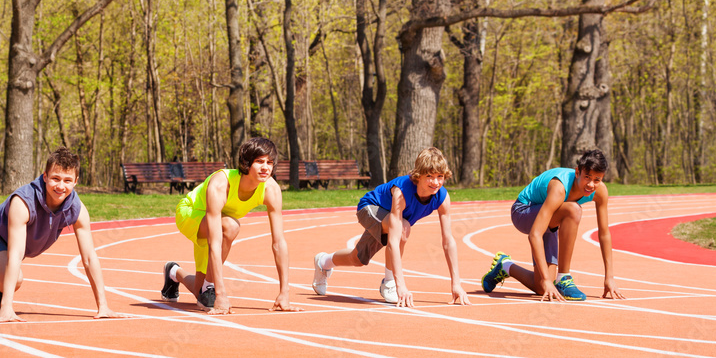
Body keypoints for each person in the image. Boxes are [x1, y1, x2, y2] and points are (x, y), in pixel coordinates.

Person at [0, 147, 126, 322]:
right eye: (55, 178)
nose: (60, 186)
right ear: (45, 176)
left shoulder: (77, 210)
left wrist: (103, 306)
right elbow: (15, 255)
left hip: (14, 244)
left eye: (67, 180)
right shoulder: (23, 202)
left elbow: (90, 258)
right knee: (15, 278)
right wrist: (7, 308)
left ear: (76, 181)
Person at [311, 147, 470, 307]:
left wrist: (456, 283)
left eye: (439, 176)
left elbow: (448, 240)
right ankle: (389, 284)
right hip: (369, 208)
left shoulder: (442, 197)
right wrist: (400, 285)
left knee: (357, 259)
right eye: (429, 176)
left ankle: (323, 262)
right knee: (403, 228)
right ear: (418, 175)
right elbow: (393, 241)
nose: (435, 182)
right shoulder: (401, 192)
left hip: (393, 220)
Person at [160, 137, 300, 315]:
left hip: (219, 221)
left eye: (270, 162)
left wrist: (284, 293)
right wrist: (220, 294)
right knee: (231, 226)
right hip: (191, 213)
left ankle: (173, 272)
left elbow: (279, 243)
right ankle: (210, 287)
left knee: (199, 292)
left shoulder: (271, 189)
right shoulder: (221, 184)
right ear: (246, 163)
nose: (266, 167)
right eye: (259, 162)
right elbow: (215, 242)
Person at [481, 148, 625, 302]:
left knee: (541, 288)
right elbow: (535, 234)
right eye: (587, 177)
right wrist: (548, 280)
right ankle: (564, 277)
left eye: (597, 179)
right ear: (577, 172)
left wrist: (609, 277)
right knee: (573, 209)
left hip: (550, 218)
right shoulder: (559, 187)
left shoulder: (600, 191)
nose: (591, 184)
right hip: (523, 211)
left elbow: (604, 234)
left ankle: (505, 266)